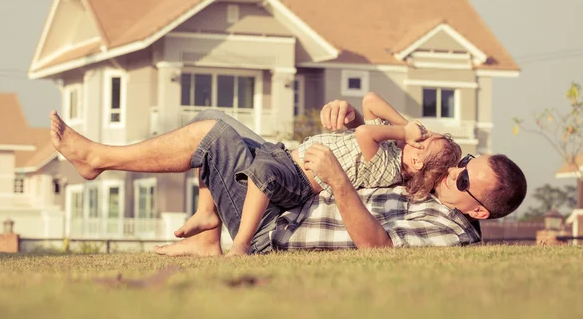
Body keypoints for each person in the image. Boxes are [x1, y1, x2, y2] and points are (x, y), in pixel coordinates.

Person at [48, 100, 527, 256]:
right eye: (467, 162)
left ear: (480, 210)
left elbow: (378, 248)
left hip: (273, 229)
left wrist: (339, 181)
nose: (455, 172)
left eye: (464, 180)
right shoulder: (433, 187)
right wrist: (352, 116)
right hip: (291, 195)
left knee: (215, 135)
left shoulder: (451, 231)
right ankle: (206, 234)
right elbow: (393, 152)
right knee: (220, 120)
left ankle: (95, 157)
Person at [223, 91, 462, 255]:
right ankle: (207, 223)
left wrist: (402, 132)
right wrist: (406, 124)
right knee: (220, 150)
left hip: (297, 179)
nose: (422, 134)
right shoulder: (390, 143)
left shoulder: (387, 167)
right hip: (285, 156)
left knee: (260, 174)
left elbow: (364, 134)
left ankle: (241, 245)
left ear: (417, 161)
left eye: (426, 139)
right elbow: (370, 100)